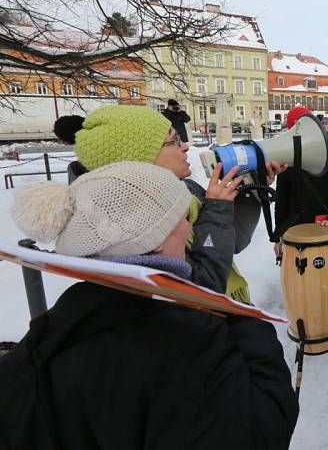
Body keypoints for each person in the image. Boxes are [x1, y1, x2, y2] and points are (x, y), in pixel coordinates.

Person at [2, 161, 298, 449]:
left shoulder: (50, 332)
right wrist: (243, 321)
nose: (187, 228)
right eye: (182, 218)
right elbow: (264, 430)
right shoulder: (188, 344)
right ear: (155, 240)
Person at [53, 105, 285, 304]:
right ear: (140, 159)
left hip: (225, 310)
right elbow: (201, 287)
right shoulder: (129, 226)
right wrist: (215, 209)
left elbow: (234, 240)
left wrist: (250, 190)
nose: (185, 146)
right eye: (173, 141)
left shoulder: (186, 190)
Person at [272, 106, 328, 367]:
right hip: (297, 237)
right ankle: (309, 335)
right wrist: (279, 237)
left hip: (327, 236)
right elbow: (282, 203)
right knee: (301, 292)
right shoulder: (288, 161)